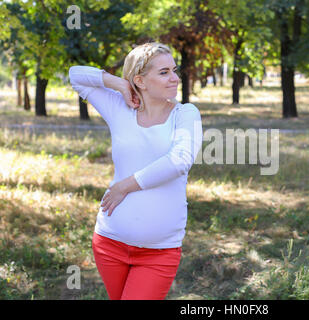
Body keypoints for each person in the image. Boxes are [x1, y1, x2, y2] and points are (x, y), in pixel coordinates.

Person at [68, 42, 203, 300]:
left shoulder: (185, 114)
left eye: (174, 70)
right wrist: (120, 84)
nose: (175, 78)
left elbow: (179, 160)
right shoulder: (120, 108)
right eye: (164, 72)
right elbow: (76, 75)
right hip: (109, 242)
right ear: (140, 80)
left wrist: (125, 185)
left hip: (158, 252)